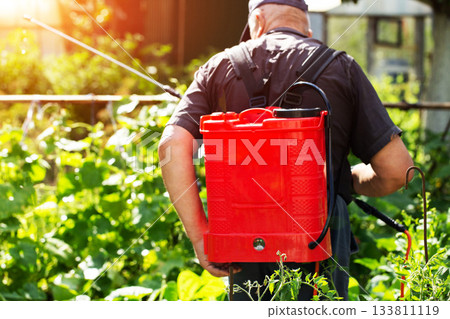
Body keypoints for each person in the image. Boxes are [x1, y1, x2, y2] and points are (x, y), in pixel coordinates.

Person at [158, 0, 413, 300]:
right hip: (321, 235)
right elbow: (398, 171)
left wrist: (202, 237)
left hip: (242, 236)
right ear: (306, 26)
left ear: (257, 21)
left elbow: (170, 146)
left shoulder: (219, 66)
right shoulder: (341, 67)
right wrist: (348, 180)